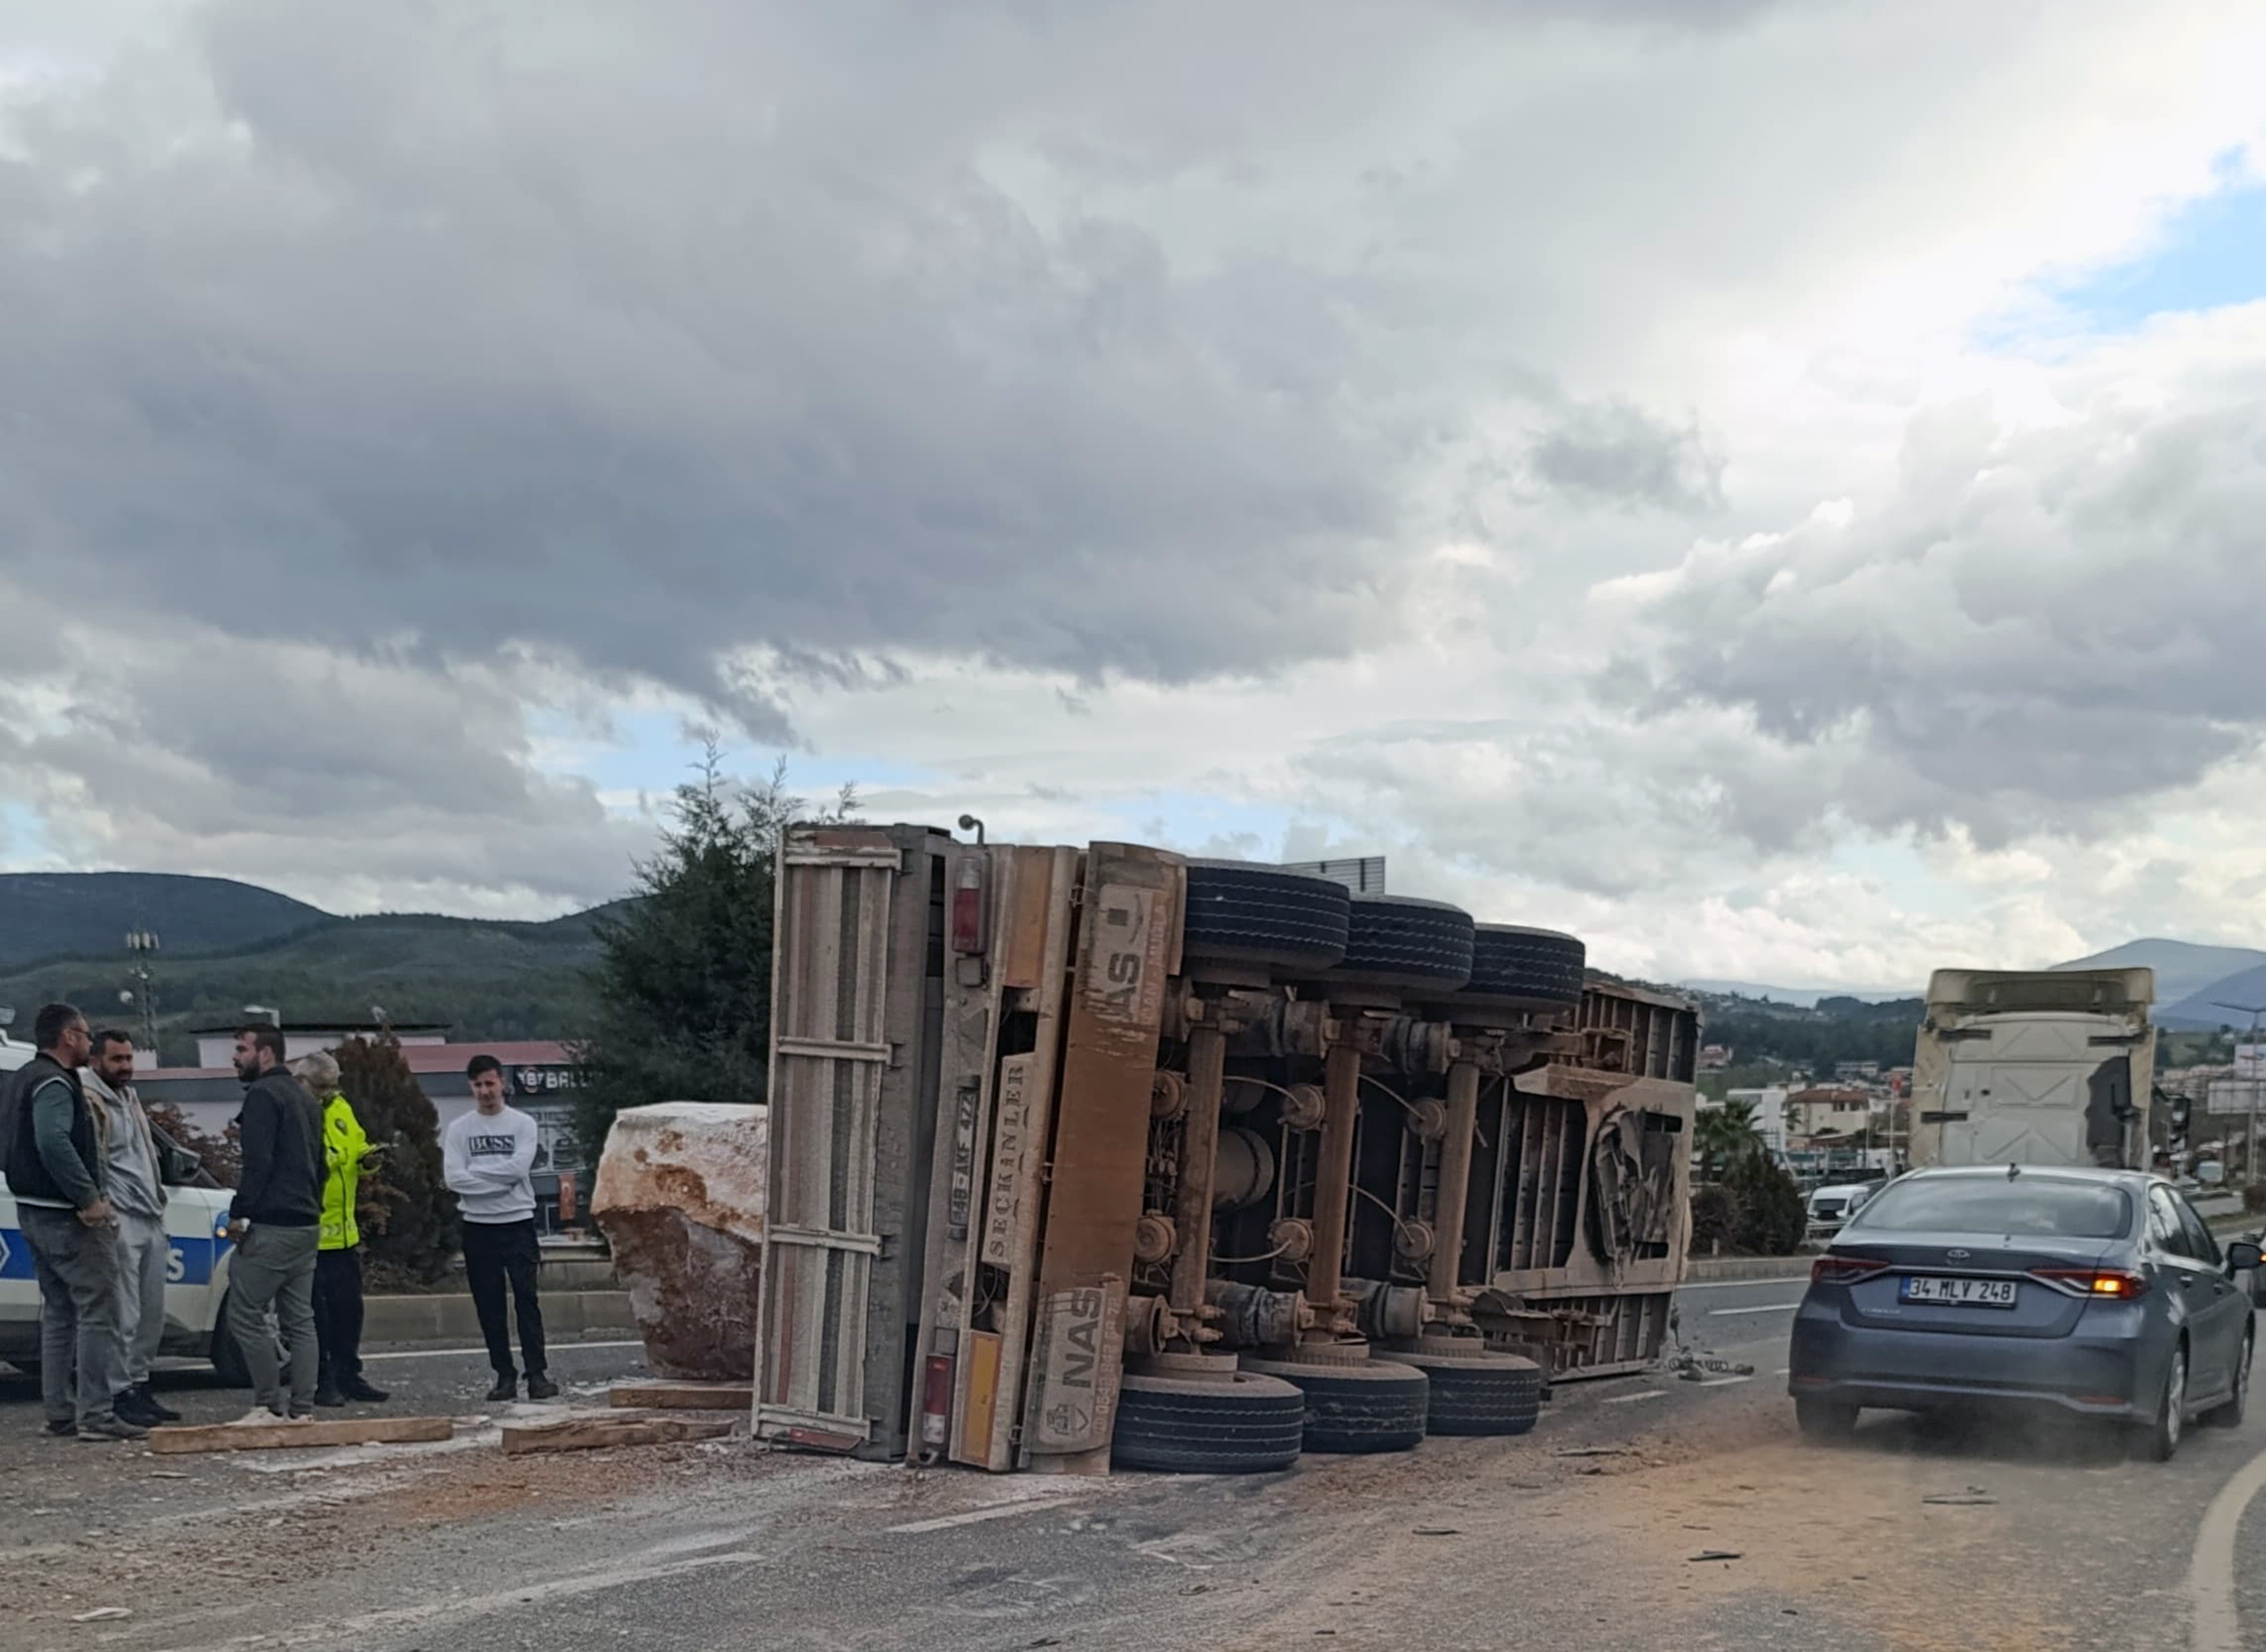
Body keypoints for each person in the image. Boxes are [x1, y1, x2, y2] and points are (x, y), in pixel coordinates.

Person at [0, 1003, 143, 1441]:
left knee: (60, 1311)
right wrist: (88, 1198)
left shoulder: (23, 1077)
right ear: (68, 1038)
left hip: (32, 1210)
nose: (88, 1041)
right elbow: (54, 1140)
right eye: (85, 1034)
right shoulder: (55, 1083)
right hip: (67, 1215)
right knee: (99, 1309)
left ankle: (59, 1410)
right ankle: (97, 1414)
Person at [84, 1030, 203, 1428]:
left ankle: (139, 1383)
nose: (126, 1067)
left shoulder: (129, 1096)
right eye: (117, 1059)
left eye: (129, 1058)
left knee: (151, 1312)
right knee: (125, 1313)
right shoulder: (89, 1098)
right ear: (96, 1060)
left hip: (150, 1213)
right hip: (120, 1217)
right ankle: (119, 1392)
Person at [225, 1023, 324, 1423]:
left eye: (241, 1049)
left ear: (265, 1053)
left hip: (273, 1225)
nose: (236, 1057)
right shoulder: (307, 1101)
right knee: (300, 1319)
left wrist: (239, 1211)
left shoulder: (263, 1096)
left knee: (245, 1313)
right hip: (307, 1223)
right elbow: (322, 1165)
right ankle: (303, 1409)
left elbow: (258, 1162)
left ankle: (268, 1405)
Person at [444, 1055, 556, 1401]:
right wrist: (496, 1181)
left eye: (490, 1084)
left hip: (517, 1221)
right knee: (489, 1305)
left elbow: (519, 1168)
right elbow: (453, 1177)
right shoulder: (460, 1129)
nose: (485, 1092)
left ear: (502, 1083)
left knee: (526, 1300)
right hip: (478, 1227)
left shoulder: (522, 1124)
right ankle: (503, 1375)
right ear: (471, 1088)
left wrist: (477, 1177)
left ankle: (536, 1374)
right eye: (478, 1085)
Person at [292, 1052, 388, 1407]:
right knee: (318, 1316)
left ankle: (349, 1374)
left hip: (344, 1233)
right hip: (313, 1235)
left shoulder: (340, 1108)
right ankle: (323, 1379)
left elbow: (354, 1146)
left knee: (349, 1312)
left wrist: (367, 1159)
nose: (332, 1093)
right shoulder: (300, 1113)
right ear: (305, 1083)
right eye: (324, 1087)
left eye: (335, 1086)